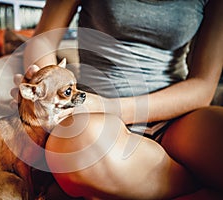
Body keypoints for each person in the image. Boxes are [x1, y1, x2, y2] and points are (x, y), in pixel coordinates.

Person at [11, 0, 223, 199]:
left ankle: (131, 179)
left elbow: (203, 85)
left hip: (175, 115)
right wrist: (49, 87)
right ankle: (195, 184)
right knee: (77, 147)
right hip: (97, 119)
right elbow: (44, 40)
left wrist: (110, 106)